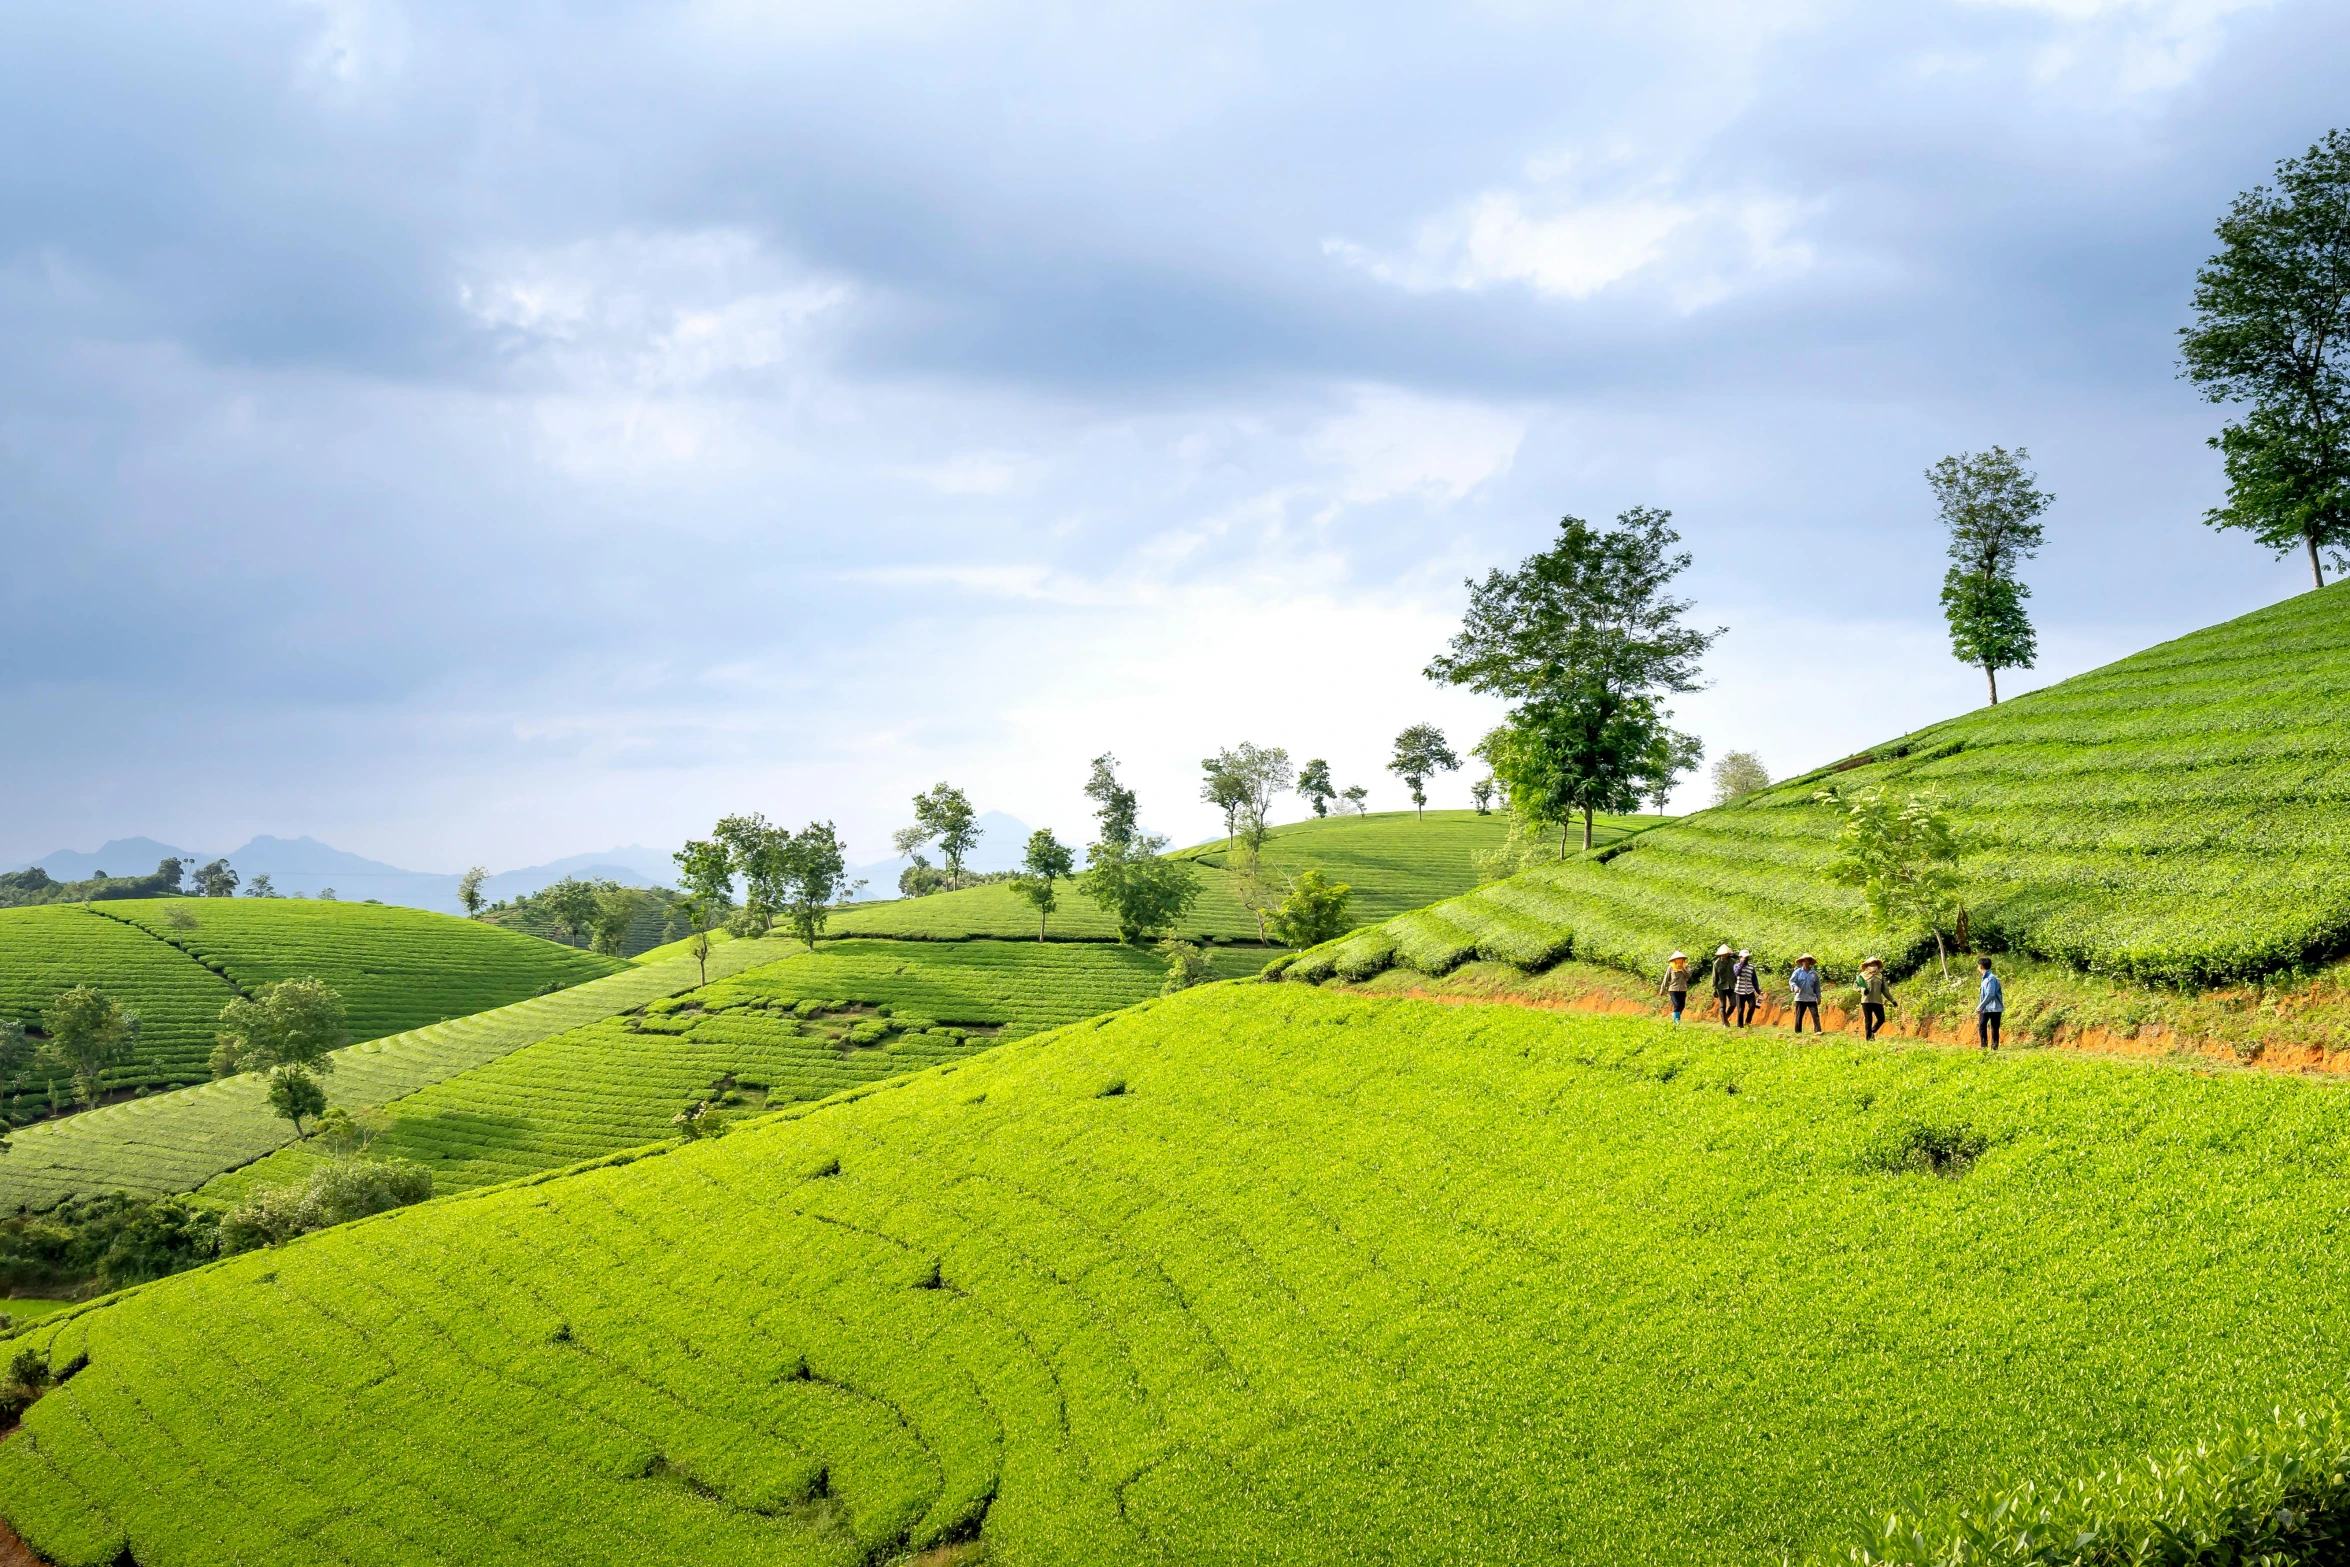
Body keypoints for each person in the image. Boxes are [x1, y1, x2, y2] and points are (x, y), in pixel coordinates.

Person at [1857, 957, 1897, 1040]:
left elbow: (1885, 990)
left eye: (1874, 964)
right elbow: (1856, 986)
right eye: (1871, 964)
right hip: (1866, 1001)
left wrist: (1892, 1000)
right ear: (1867, 965)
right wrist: (1863, 990)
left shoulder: (1880, 976)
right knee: (1868, 1021)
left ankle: (1872, 1031)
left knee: (1881, 1019)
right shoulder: (1862, 976)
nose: (1873, 966)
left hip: (1877, 1001)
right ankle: (1869, 1038)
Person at [1789, 954, 1822, 1034]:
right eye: (1803, 960)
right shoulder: (1797, 972)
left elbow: (1817, 986)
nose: (1805, 962)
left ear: (1810, 962)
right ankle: (1798, 1032)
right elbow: (1791, 981)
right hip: (1800, 998)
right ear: (1801, 962)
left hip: (1811, 998)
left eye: (1807, 960)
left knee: (1815, 1015)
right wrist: (1795, 987)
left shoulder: (1814, 974)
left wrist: (1818, 997)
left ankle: (1818, 1031)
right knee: (1799, 1016)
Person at [1977, 956, 2004, 1049]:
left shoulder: (1991, 978)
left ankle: (1994, 1047)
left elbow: (1990, 994)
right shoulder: (1985, 978)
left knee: (1994, 1028)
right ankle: (1983, 1046)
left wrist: (1980, 1006)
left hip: (1994, 1007)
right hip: (1986, 1007)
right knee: (1981, 1026)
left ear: (1981, 966)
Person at [1659, 951, 1692, 1024]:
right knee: (1676, 1005)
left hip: (1683, 989)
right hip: (1673, 989)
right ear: (1674, 960)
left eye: (1680, 959)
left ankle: (1675, 1016)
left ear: (1683, 959)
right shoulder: (1671, 967)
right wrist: (1662, 989)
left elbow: (1689, 975)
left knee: (1682, 1006)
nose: (1679, 960)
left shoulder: (1686, 966)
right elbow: (1666, 978)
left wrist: (1682, 968)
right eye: (1677, 959)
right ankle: (1676, 1022)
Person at [1710, 944, 1737, 1025]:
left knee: (1733, 1004)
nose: (1724, 956)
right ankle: (1724, 1022)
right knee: (1723, 1005)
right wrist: (1714, 988)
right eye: (1722, 954)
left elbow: (1736, 974)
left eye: (1725, 954)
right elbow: (1714, 977)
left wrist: (1738, 983)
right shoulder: (1716, 963)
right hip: (1721, 986)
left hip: (1731, 986)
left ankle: (1726, 1018)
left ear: (1728, 954)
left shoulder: (1733, 962)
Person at [1732, 949, 1759, 1028]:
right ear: (1740, 957)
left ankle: (1748, 1021)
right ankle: (1740, 1025)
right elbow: (1737, 973)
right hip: (1739, 991)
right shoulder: (1736, 966)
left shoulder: (1751, 967)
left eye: (1747, 957)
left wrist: (1758, 990)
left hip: (1749, 990)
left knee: (1752, 1006)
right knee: (1740, 1009)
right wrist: (1741, 963)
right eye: (1744, 957)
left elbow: (1754, 979)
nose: (1746, 959)